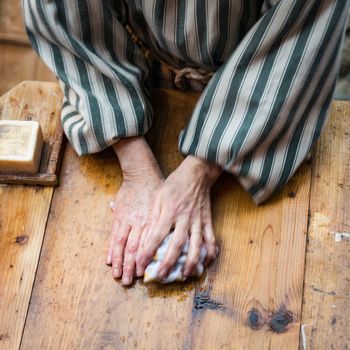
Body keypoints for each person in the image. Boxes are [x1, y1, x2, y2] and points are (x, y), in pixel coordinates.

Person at [23, 0, 349, 285]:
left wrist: (199, 174)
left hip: (275, 82)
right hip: (144, 70)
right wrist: (136, 166)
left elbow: (300, 31)